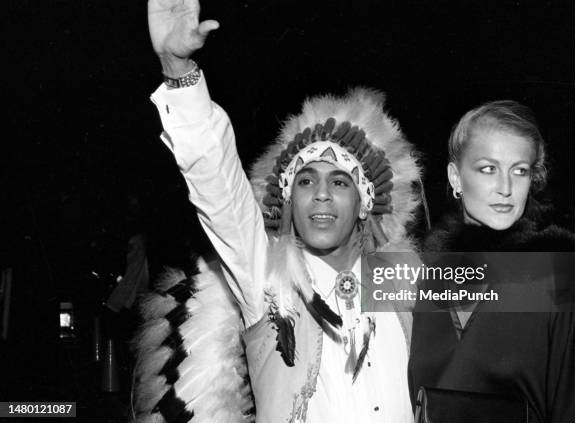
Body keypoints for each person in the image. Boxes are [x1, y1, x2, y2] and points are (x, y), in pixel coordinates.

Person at [133, 0, 424, 422]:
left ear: (366, 204)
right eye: (305, 181)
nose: (320, 194)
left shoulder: (408, 285)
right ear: (287, 202)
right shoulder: (265, 282)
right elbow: (220, 189)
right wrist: (179, 71)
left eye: (340, 182)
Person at [409, 100, 575, 422]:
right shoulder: (424, 278)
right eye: (488, 168)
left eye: (520, 171)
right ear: (455, 177)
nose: (505, 188)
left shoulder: (564, 275)